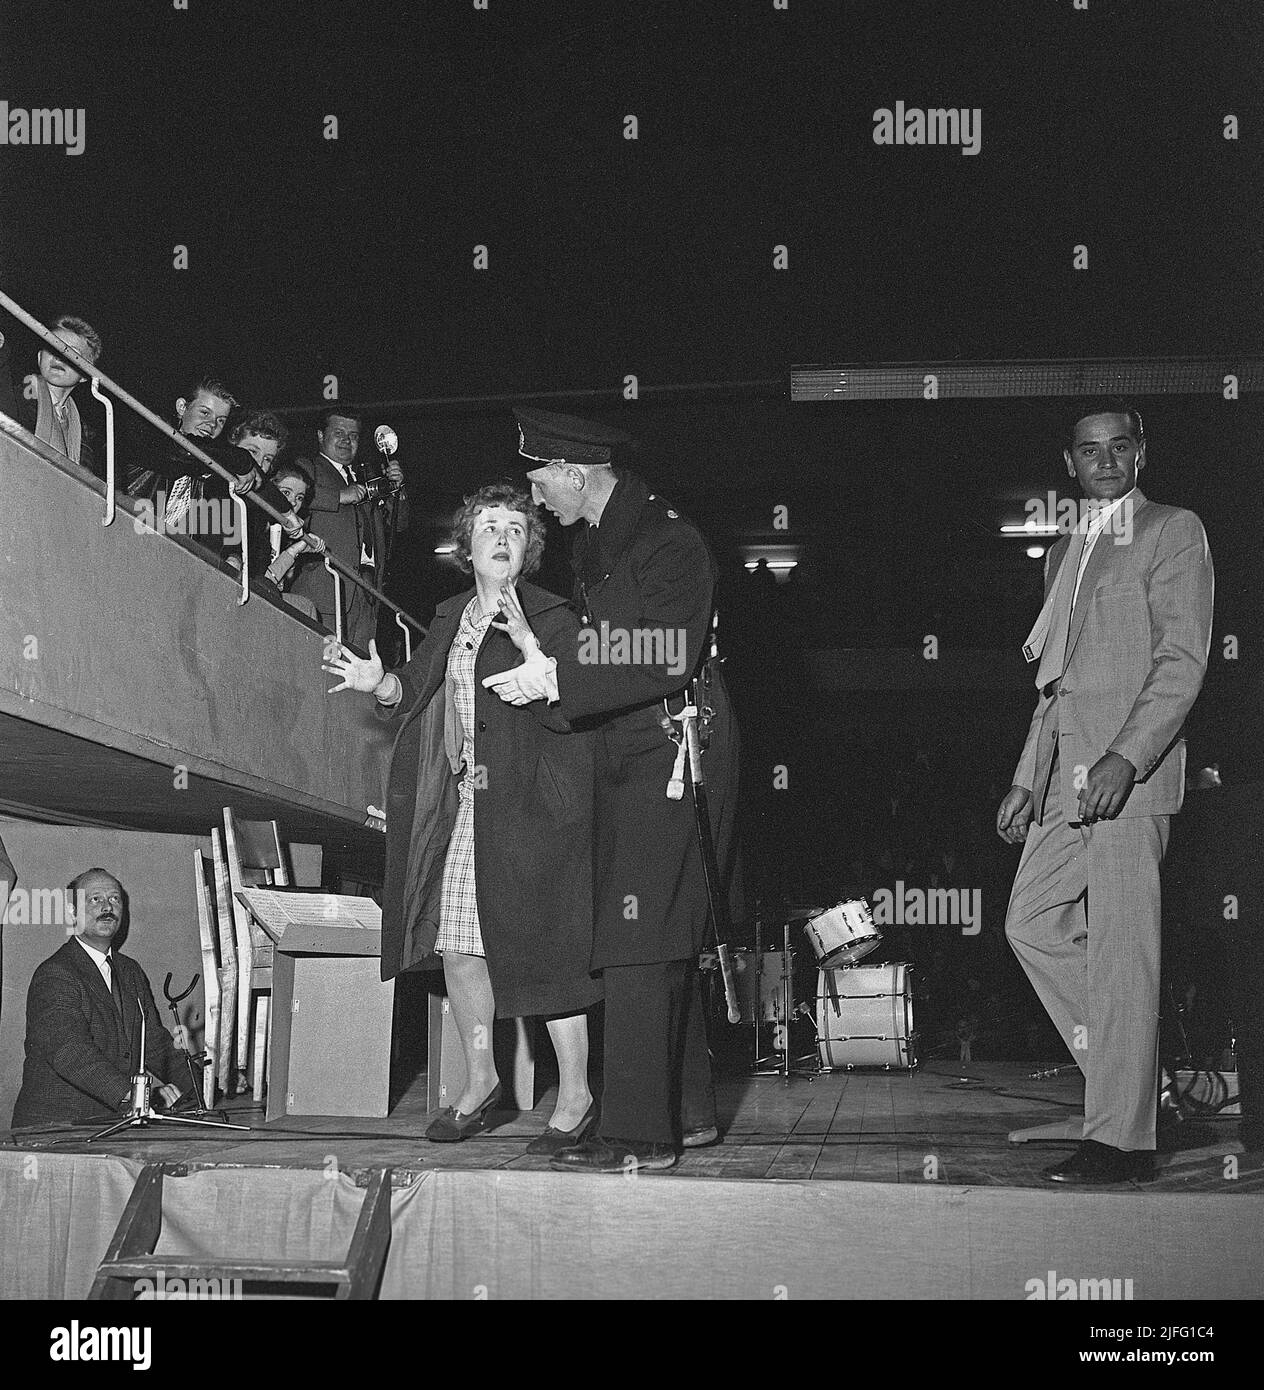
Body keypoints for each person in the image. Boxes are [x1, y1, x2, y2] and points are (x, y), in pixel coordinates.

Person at [484, 407, 741, 1174]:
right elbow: (611, 648)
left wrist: (559, 677)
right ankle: (687, 1113)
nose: (537, 504)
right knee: (660, 931)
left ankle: (636, 1134)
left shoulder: (668, 540)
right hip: (632, 744)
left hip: (676, 743)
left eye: (539, 485)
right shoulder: (598, 541)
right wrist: (546, 661)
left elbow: (664, 654)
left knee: (639, 935)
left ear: (573, 473)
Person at [325, 482, 600, 1150]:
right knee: (459, 949)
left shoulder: (555, 614)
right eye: (489, 528)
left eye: (515, 527)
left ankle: (577, 1093)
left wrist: (539, 652)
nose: (503, 536)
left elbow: (580, 707)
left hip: (535, 809)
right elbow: (416, 689)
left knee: (543, 952)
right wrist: (380, 684)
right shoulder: (451, 617)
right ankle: (481, 1082)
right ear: (467, 546)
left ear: (528, 547)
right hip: (467, 803)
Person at [996, 401, 1214, 1184]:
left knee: (1124, 953)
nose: (1107, 460)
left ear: (1141, 454)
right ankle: (1134, 1087)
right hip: (1065, 779)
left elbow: (1183, 660)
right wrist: (1027, 778)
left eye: (1121, 446)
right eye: (1091, 450)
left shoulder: (1172, 531)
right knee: (1029, 923)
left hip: (1128, 776)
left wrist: (1128, 755)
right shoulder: (1063, 551)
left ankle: (1123, 1141)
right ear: (1070, 463)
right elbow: (1051, 685)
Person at [11, 869, 191, 1129]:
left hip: (110, 1125)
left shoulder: (130, 971)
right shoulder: (55, 974)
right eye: (95, 899)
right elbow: (70, 1051)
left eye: (115, 899)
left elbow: (155, 1044)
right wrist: (135, 1096)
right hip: (54, 1130)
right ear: (72, 914)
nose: (108, 906)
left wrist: (202, 1087)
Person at [291, 408, 408, 651]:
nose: (346, 440)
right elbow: (284, 496)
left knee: (359, 672)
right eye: (339, 433)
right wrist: (338, 496)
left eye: (353, 436)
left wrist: (398, 489)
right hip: (324, 592)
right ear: (321, 436)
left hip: (367, 597)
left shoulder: (366, 477)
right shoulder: (307, 466)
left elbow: (400, 523)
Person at [0, 313, 104, 476]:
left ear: (85, 375)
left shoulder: (84, 431)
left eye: (71, 353)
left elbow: (90, 482)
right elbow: (7, 417)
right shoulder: (20, 396)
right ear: (40, 357)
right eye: (53, 347)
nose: (59, 356)